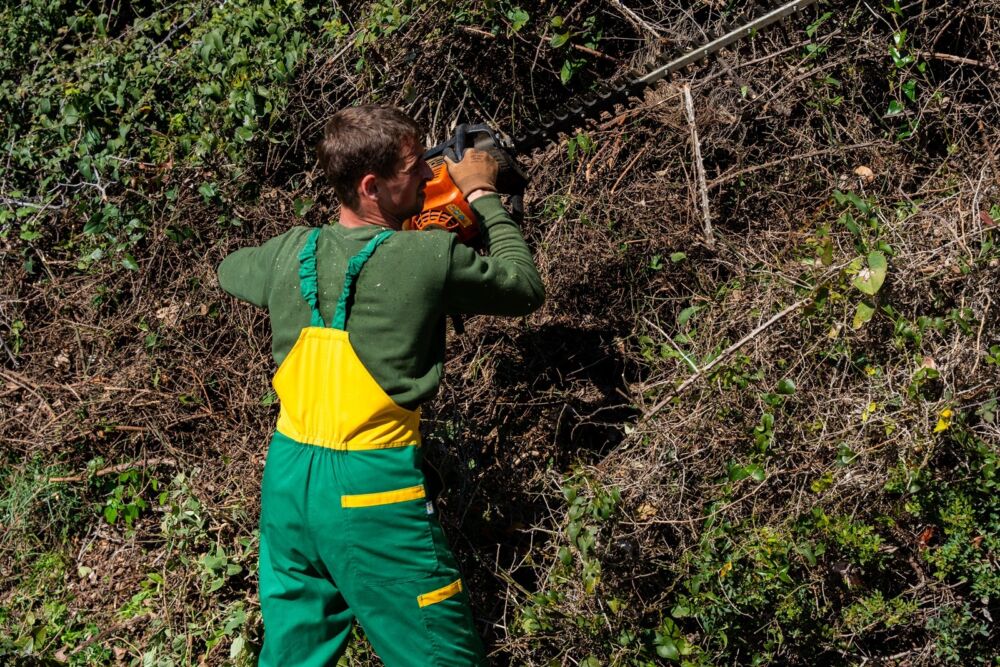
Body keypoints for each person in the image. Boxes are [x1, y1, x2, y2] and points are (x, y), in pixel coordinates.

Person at [216, 105, 544, 666]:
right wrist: (483, 195)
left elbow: (228, 268)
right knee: (438, 656)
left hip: (288, 482)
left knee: (293, 655)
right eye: (415, 169)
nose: (428, 176)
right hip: (371, 487)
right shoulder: (428, 256)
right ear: (371, 186)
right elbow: (524, 286)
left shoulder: (290, 249)